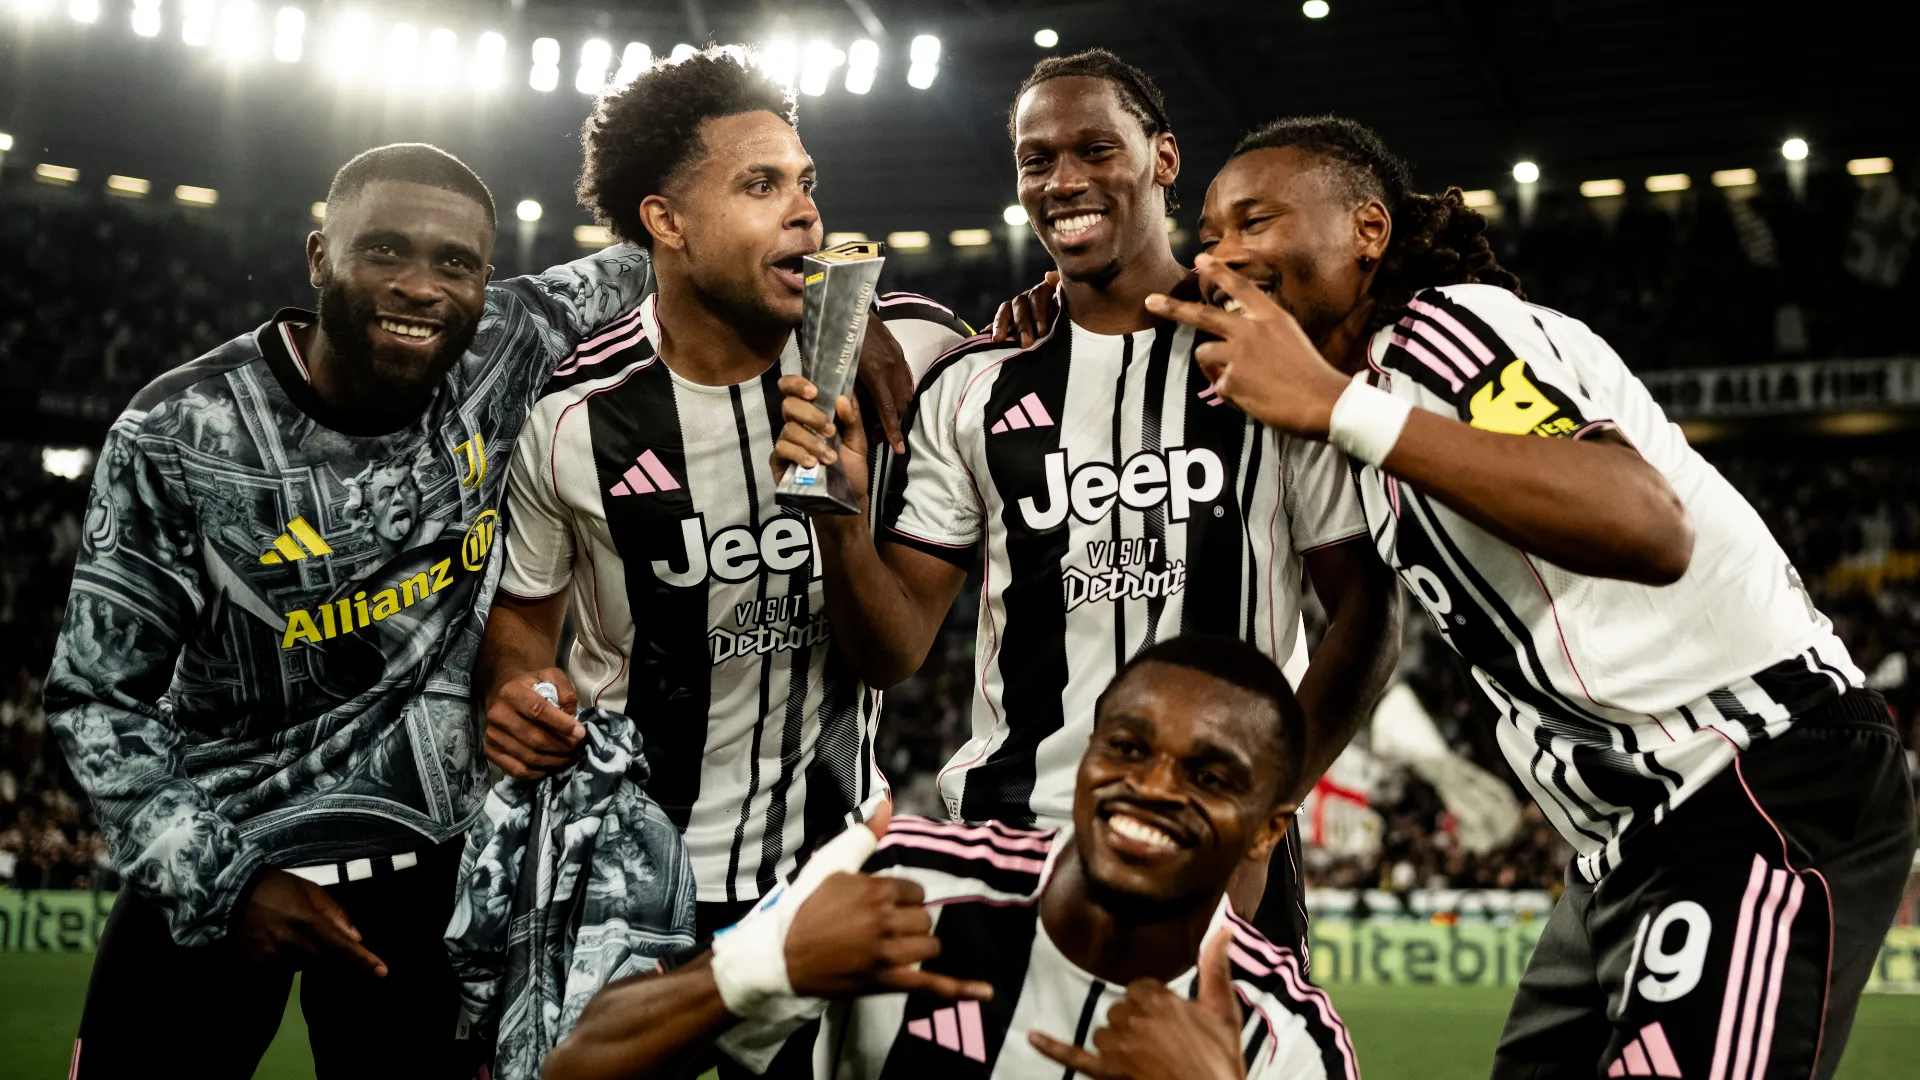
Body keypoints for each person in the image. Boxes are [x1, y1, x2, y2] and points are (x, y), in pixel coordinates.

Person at [1146, 115, 1917, 1080]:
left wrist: (1338, 407)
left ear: (1368, 230)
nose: (1221, 253)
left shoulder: (1446, 330)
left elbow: (1647, 523)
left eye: (1256, 221)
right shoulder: (1359, 413)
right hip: (1623, 843)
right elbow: (1363, 624)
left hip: (1755, 774)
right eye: (1211, 233)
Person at [769, 49, 1400, 958]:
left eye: (1096, 150)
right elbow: (894, 651)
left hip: (1218, 846)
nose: (1063, 180)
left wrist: (1262, 807)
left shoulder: (1270, 360)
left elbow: (1369, 617)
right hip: (1010, 848)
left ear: (1163, 158)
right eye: (1037, 160)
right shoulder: (975, 384)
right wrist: (836, 513)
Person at [44, 143, 654, 1080]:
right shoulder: (179, 433)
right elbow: (94, 699)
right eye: (384, 251)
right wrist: (225, 885)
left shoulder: (512, 340)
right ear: (319, 256)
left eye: (455, 263)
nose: (421, 285)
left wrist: (863, 327)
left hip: (429, 882)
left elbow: (692, 247)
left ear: (486, 280)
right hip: (222, 856)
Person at [476, 47, 969, 940]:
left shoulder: (910, 359)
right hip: (626, 874)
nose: (806, 210)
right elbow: (524, 618)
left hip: (830, 868)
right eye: (760, 185)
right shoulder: (572, 418)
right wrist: (518, 687)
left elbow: (894, 656)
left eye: (805, 181)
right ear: (666, 220)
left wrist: (839, 522)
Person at [543, 634, 1358, 1080]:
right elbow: (579, 1065)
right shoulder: (906, 882)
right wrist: (760, 966)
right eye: (1127, 748)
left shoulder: (1288, 1044)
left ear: (1267, 830)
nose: (1150, 788)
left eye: (1210, 777)